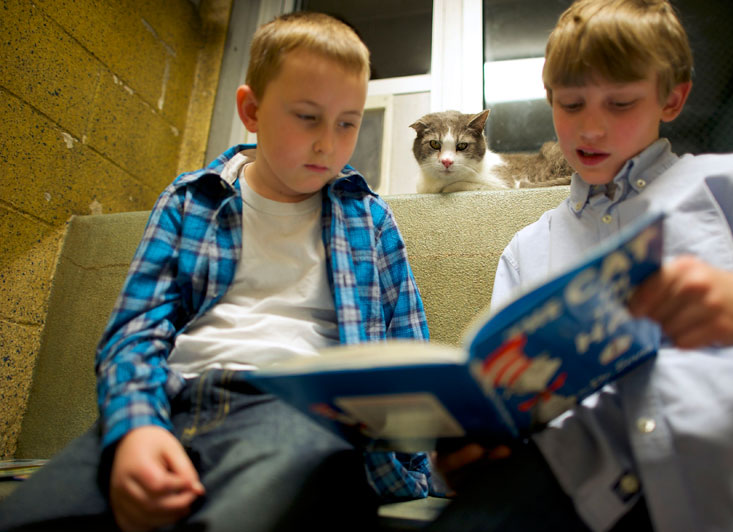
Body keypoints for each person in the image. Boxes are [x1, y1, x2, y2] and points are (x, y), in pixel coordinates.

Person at [0, 12, 433, 532]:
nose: (328, 143)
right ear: (251, 110)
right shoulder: (191, 200)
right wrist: (137, 430)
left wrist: (416, 457)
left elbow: (409, 347)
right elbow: (134, 332)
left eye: (348, 122)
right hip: (174, 401)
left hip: (299, 415)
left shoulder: (371, 218)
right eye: (307, 117)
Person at [428, 0, 733, 531]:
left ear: (672, 98)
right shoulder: (528, 250)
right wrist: (475, 447)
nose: (591, 130)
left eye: (621, 103)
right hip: (582, 491)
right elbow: (505, 395)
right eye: (571, 105)